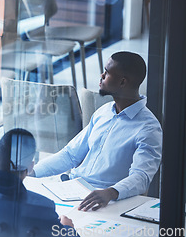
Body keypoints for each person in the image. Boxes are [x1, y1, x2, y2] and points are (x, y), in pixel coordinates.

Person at [31, 51, 162, 211]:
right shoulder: (103, 111)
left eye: (106, 72)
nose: (101, 75)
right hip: (71, 191)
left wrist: (111, 193)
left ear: (122, 82)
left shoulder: (149, 128)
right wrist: (32, 172)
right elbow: (70, 155)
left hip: (105, 203)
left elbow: (141, 177)